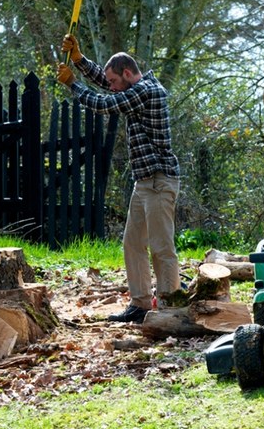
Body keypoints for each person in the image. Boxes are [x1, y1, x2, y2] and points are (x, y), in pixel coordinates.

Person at [57, 34, 181, 323]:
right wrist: (78, 60)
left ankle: (170, 308)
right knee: (132, 244)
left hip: (160, 181)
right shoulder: (133, 86)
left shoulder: (148, 92)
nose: (110, 86)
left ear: (127, 74)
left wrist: (73, 84)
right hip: (144, 182)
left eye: (115, 81)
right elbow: (105, 81)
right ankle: (140, 306)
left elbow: (103, 104)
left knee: (162, 248)